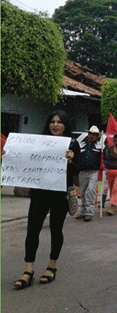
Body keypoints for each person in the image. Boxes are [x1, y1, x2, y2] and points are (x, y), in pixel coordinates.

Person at [12, 111, 80, 289]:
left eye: (59, 122)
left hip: (60, 195)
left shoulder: (72, 144)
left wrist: (71, 161)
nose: (55, 125)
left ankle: (52, 266)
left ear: (66, 125)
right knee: (32, 230)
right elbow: (26, 161)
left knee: (56, 230)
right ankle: (28, 270)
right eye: (52, 122)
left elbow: (76, 171)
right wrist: (10, 155)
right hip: (39, 193)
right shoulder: (39, 143)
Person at [77, 126, 102, 222]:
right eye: (90, 134)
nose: (91, 136)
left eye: (94, 135)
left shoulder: (100, 147)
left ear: (97, 137)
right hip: (82, 172)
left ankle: (89, 212)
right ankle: (83, 211)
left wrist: (103, 165)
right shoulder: (81, 145)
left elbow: (105, 159)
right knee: (82, 192)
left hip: (94, 172)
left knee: (90, 191)